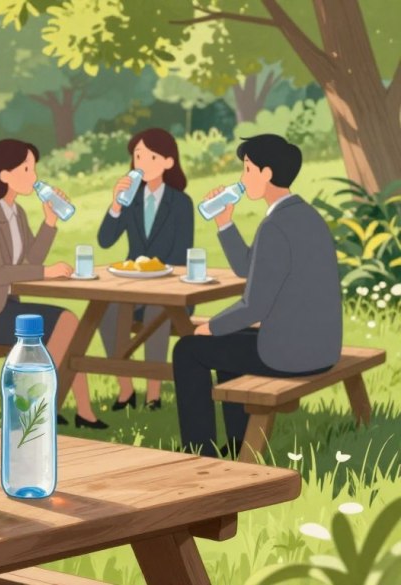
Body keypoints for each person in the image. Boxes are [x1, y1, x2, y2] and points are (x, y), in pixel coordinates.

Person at [173, 134, 342, 457]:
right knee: (224, 343)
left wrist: (211, 326)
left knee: (188, 349)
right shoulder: (303, 215)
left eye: (247, 169)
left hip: (291, 354)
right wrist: (224, 222)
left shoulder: (275, 225)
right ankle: (238, 441)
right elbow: (247, 268)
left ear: (267, 173)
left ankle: (198, 450)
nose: (242, 177)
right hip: (319, 346)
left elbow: (255, 306)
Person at [0, 139, 107, 429]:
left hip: (6, 308)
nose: (34, 177)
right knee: (67, 322)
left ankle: (83, 412)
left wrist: (50, 221)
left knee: (71, 327)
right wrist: (47, 273)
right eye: (26, 169)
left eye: (33, 169)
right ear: (4, 175)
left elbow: (29, 260)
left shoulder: (17, 213)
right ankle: (36, 408)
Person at [98, 128, 194, 411]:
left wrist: (156, 273)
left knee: (157, 311)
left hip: (171, 290)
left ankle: (154, 393)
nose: (142, 163)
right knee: (106, 310)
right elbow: (105, 240)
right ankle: (125, 388)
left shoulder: (181, 203)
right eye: (138, 156)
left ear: (168, 162)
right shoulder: (131, 201)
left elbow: (182, 255)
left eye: (151, 157)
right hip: (133, 288)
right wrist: (115, 205)